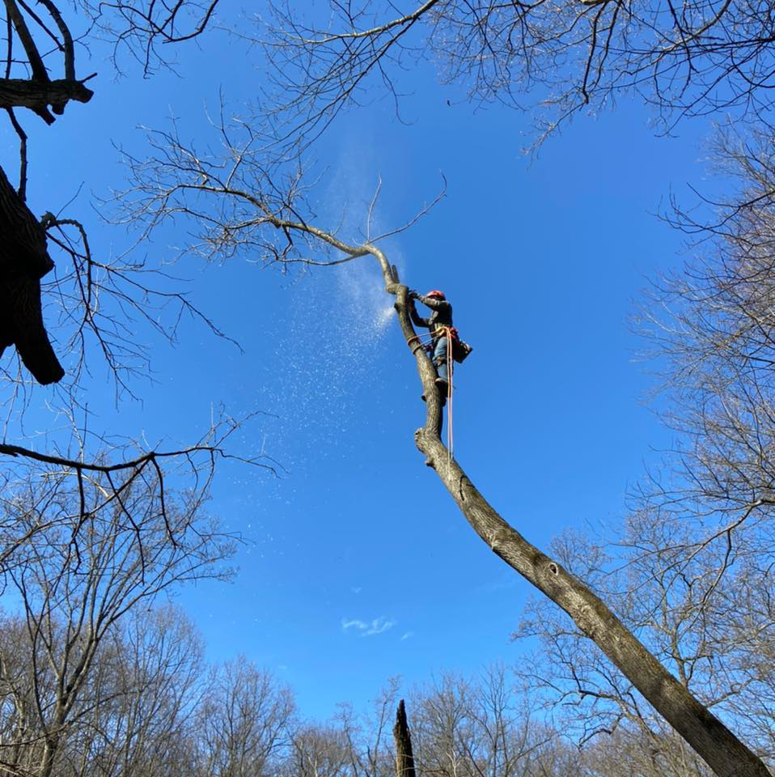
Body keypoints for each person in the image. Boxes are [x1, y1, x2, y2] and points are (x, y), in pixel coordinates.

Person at [409, 289, 453, 393]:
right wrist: (412, 309)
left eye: (431, 298)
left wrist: (418, 296)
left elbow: (435, 305)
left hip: (444, 337)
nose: (430, 300)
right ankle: (436, 393)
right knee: (432, 364)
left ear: (438, 298)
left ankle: (446, 381)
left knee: (439, 355)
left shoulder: (445, 306)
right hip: (436, 342)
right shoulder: (432, 320)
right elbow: (418, 322)